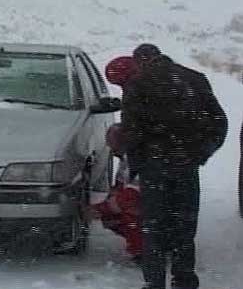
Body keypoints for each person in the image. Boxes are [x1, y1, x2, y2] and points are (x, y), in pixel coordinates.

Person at [121, 44, 228, 289]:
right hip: (186, 165)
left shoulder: (137, 84)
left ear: (139, 61)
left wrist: (138, 163)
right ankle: (184, 279)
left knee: (153, 227)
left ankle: (154, 282)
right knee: (185, 225)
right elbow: (219, 121)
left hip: (154, 167)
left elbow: (131, 131)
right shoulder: (194, 79)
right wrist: (201, 154)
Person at [90, 123, 143, 262]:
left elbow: (130, 197)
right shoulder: (126, 159)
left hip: (151, 205)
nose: (111, 150)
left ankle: (145, 250)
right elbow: (119, 187)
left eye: (112, 144)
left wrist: (100, 209)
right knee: (112, 216)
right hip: (143, 202)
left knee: (128, 214)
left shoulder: (137, 161)